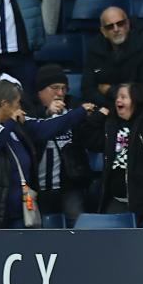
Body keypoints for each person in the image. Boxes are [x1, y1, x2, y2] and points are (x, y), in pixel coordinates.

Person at [0, 80, 90, 229]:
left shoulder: (17, 122)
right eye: (18, 103)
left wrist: (80, 113)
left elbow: (44, 127)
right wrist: (7, 126)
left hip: (19, 212)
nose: (21, 108)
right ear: (4, 104)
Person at [79, 82, 143, 224]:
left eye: (123, 97)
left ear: (135, 101)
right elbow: (88, 139)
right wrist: (99, 115)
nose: (118, 100)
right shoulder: (111, 126)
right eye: (117, 97)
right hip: (117, 201)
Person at [30, 63, 90, 226]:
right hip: (37, 186)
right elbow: (33, 133)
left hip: (69, 184)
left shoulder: (75, 107)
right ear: (40, 90)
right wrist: (47, 113)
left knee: (77, 225)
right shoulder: (30, 111)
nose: (60, 93)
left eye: (64, 88)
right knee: (38, 229)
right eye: (55, 88)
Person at [81, 6, 143, 110]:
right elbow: (87, 88)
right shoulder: (95, 48)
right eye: (110, 26)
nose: (116, 29)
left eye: (120, 24)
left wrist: (110, 90)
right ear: (103, 32)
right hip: (107, 109)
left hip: (142, 109)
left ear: (127, 24)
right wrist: (113, 106)